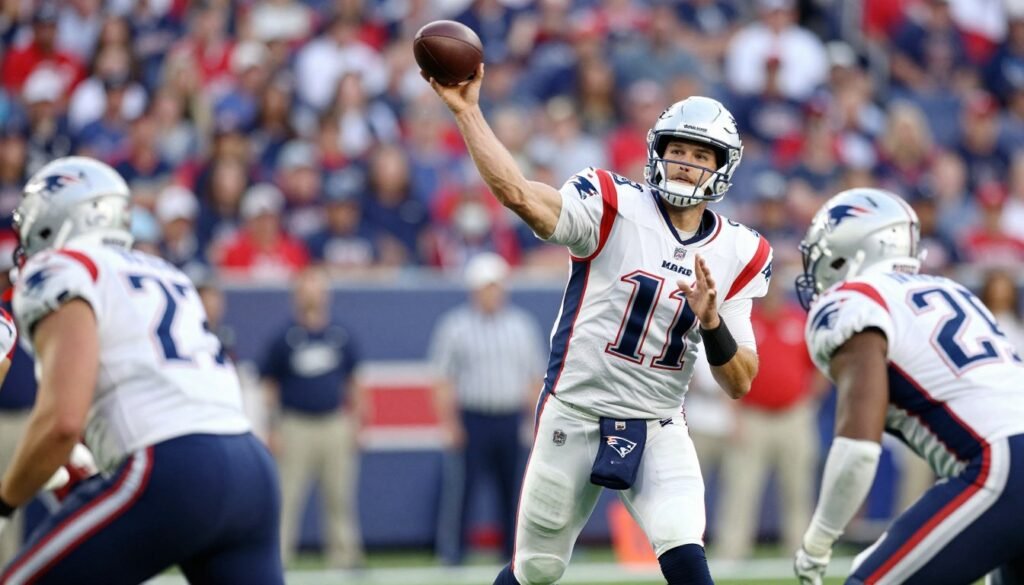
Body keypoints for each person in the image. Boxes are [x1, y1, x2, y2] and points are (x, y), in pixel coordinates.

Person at [426, 64, 773, 585]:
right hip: (575, 412)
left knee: (686, 557)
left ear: (722, 169)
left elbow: (740, 380)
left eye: (700, 155)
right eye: (678, 149)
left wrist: (712, 321)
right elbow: (521, 195)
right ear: (658, 150)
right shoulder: (612, 204)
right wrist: (468, 112)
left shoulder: (739, 251)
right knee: (536, 571)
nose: (684, 164)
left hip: (658, 422)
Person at [0, 156, 283, 583]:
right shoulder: (169, 273)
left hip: (173, 466)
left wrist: (4, 503)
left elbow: (62, 421)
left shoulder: (63, 268)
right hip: (251, 468)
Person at [792, 187, 1024, 585]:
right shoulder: (953, 291)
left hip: (1005, 466)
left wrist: (818, 541)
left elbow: (858, 449)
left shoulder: (853, 300)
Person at [430, 252, 546, 565]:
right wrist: (450, 423)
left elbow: (534, 378)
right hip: (474, 416)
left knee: (514, 492)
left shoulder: (521, 326)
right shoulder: (456, 326)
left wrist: (532, 421)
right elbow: (444, 380)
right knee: (463, 490)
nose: (491, 293)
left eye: (495, 286)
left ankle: (512, 552)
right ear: (474, 289)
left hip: (509, 417)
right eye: (485, 287)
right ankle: (454, 553)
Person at [260, 266, 366, 569]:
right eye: (307, 288)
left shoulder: (340, 334)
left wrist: (357, 422)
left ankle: (345, 557)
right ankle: (278, 557)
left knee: (339, 496)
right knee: (288, 496)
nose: (312, 294)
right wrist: (273, 425)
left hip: (333, 423)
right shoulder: (285, 337)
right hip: (296, 424)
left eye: (317, 288)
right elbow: (269, 385)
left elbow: (354, 382)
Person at [715, 279, 824, 561]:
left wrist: (807, 401)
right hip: (753, 416)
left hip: (793, 415)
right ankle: (732, 551)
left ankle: (801, 551)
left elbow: (820, 366)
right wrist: (734, 416)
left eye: (774, 290)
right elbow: (728, 369)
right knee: (741, 487)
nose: (770, 295)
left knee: (798, 488)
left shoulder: (798, 321)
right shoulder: (745, 322)